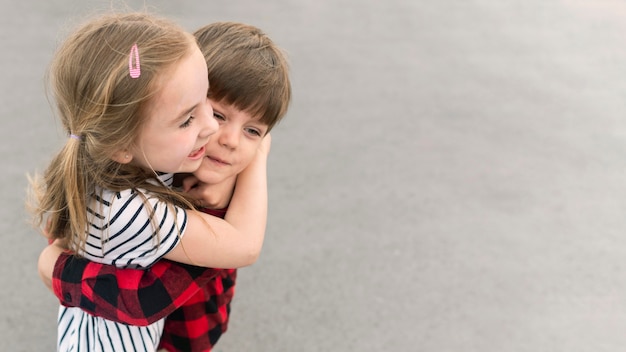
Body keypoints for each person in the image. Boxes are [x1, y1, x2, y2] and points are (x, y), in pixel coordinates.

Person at [37, 22, 292, 351]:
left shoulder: (159, 159)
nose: (220, 134)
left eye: (254, 132)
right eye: (201, 113)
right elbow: (143, 298)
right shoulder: (135, 199)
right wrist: (258, 157)